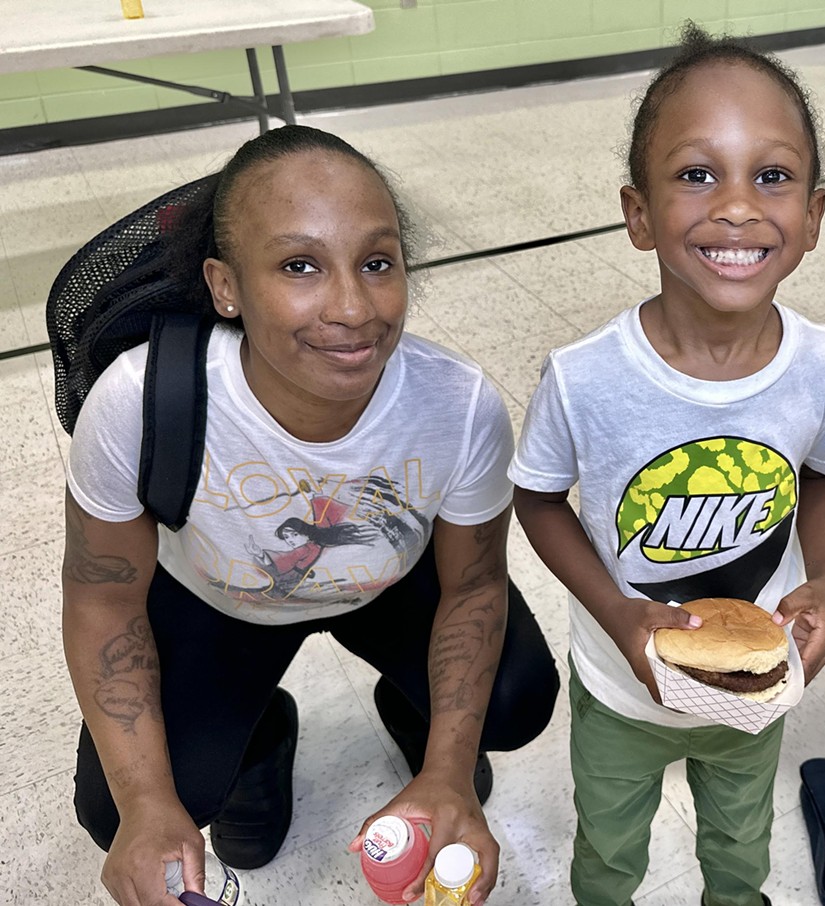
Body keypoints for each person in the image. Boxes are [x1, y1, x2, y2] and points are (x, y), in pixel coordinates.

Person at [61, 125, 559, 906]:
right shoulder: (143, 398)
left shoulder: (455, 404)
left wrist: (446, 770)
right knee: (117, 805)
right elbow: (102, 599)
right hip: (219, 598)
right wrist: (149, 804)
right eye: (300, 266)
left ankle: (410, 704)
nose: (353, 307)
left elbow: (473, 588)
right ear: (225, 285)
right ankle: (260, 736)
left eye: (376, 263)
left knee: (515, 697)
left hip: (387, 580)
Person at [510, 24, 825, 906]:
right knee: (608, 847)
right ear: (639, 215)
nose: (737, 206)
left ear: (814, 216)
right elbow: (538, 500)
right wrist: (621, 615)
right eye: (697, 174)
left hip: (755, 684)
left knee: (743, 847)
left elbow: (823, 477)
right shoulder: (585, 376)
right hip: (618, 686)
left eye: (772, 176)